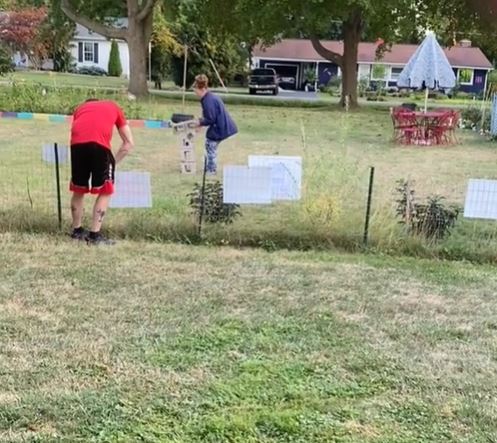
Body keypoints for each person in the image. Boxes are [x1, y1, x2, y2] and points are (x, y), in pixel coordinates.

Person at [69, 99, 134, 245]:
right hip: (99, 145)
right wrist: (112, 163)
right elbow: (129, 143)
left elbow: (77, 131)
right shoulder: (113, 106)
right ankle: (94, 235)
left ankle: (77, 231)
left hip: (76, 147)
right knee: (106, 190)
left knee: (78, 189)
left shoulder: (80, 108)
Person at [193, 74, 238, 175]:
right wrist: (201, 124)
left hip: (221, 127)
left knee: (210, 143)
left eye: (195, 90)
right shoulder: (209, 97)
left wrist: (199, 122)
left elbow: (210, 118)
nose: (195, 93)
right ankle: (209, 167)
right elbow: (209, 116)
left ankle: (211, 169)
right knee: (210, 143)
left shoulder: (208, 100)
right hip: (222, 125)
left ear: (201, 89)